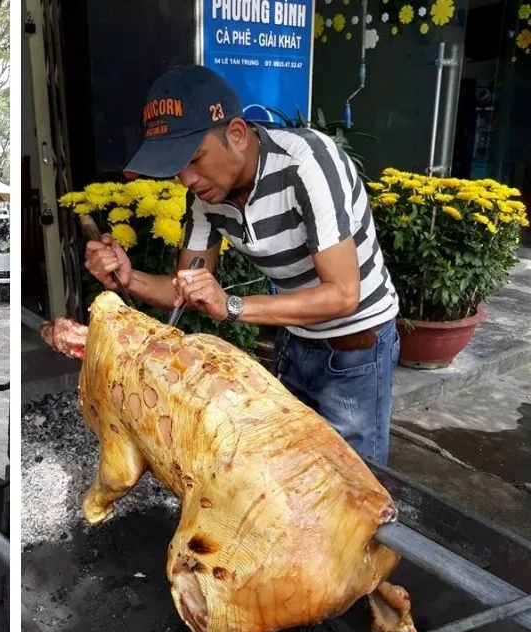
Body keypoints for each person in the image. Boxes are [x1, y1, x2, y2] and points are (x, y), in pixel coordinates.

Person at [84, 65, 401, 465]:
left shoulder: (307, 163)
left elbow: (343, 295)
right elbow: (185, 288)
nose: (187, 180)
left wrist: (232, 307)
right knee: (292, 474)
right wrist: (130, 278)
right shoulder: (205, 199)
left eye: (195, 158)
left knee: (354, 489)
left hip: (355, 347)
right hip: (295, 340)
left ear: (235, 134)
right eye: (177, 168)